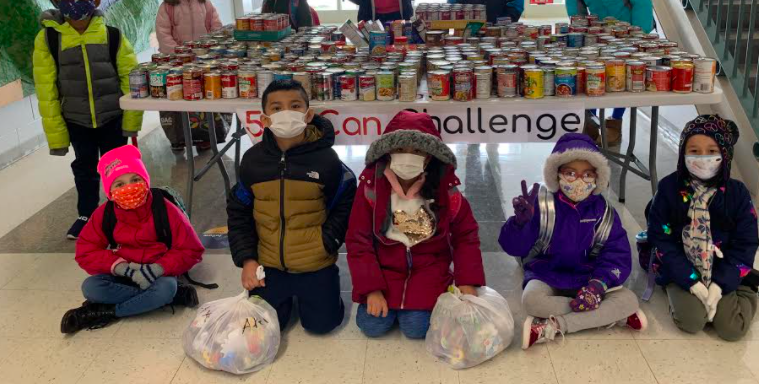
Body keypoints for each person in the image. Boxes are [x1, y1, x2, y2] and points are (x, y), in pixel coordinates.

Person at [227, 80, 356, 335]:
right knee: (263, 328)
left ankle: (320, 291)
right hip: (269, 263)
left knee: (322, 326)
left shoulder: (327, 161)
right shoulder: (253, 162)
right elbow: (239, 211)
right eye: (276, 108)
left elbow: (345, 203)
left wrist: (327, 242)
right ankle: (282, 294)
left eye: (295, 106)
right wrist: (249, 260)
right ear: (264, 119)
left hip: (314, 261)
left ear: (308, 115)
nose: (286, 113)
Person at [346, 110, 486, 339]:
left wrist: (468, 282)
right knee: (371, 326)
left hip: (428, 271)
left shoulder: (446, 191)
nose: (408, 157)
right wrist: (371, 289)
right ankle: (388, 302)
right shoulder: (371, 189)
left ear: (430, 156)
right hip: (384, 273)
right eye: (400, 149)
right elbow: (358, 240)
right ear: (387, 152)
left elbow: (466, 236)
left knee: (416, 328)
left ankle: (413, 308)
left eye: (418, 151)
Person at [499, 133, 646, 348]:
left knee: (630, 299)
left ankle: (556, 325)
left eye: (587, 174)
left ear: (597, 178)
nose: (579, 181)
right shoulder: (541, 205)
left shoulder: (604, 212)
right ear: (556, 175)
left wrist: (597, 286)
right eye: (570, 173)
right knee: (532, 301)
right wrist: (519, 224)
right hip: (547, 272)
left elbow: (617, 255)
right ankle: (608, 316)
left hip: (590, 277)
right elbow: (514, 247)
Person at [32, 0, 143, 240]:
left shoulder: (112, 36)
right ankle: (87, 214)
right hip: (76, 119)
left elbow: (131, 81)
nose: (75, 1)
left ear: (94, 0)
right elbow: (46, 91)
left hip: (112, 117)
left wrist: (131, 122)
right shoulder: (48, 39)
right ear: (57, 0)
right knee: (85, 167)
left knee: (119, 167)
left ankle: (125, 211)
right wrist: (56, 136)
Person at [645, 115, 759, 341]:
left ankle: (746, 286)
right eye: (693, 151)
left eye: (711, 150)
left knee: (731, 329)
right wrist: (691, 281)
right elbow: (659, 239)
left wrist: (720, 285)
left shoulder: (737, 194)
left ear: (725, 154)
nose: (702, 158)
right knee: (692, 321)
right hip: (680, 267)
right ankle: (683, 288)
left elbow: (746, 243)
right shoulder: (668, 188)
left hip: (724, 266)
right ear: (682, 152)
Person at [61, 145, 204, 334]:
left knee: (165, 288)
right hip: (123, 275)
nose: (129, 188)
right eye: (119, 184)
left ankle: (108, 311)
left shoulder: (165, 209)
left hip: (158, 275)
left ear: (145, 181)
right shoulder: (104, 214)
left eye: (135, 179)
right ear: (109, 191)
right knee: (90, 287)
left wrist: (157, 268)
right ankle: (171, 297)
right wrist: (122, 268)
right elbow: (86, 251)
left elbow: (191, 249)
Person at [564, 0, 654, 145]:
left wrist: (638, 35)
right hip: (600, 37)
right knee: (595, 75)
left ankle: (615, 122)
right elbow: (575, 13)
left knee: (623, 79)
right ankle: (591, 121)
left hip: (631, 33)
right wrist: (582, 39)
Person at [156, 0, 225, 152]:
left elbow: (216, 28)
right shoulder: (166, 7)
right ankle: (177, 138)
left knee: (203, 99)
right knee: (177, 99)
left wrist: (208, 50)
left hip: (203, 61)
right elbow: (163, 34)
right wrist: (180, 53)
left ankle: (205, 136)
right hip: (176, 62)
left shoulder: (206, 3)